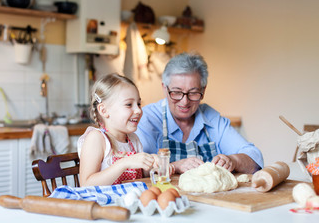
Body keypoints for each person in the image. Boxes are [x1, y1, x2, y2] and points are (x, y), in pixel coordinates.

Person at [136, 53, 264, 174]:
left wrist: (233, 161)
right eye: (177, 92)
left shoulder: (211, 118)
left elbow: (255, 158)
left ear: (203, 90)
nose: (184, 101)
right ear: (164, 88)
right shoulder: (148, 119)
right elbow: (138, 169)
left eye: (193, 93)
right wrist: (175, 166)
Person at [77, 73, 156, 186]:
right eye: (129, 104)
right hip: (103, 203)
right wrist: (125, 163)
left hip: (129, 201)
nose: (138, 110)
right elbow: (86, 184)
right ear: (104, 110)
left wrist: (152, 163)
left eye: (138, 104)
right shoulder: (97, 139)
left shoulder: (133, 140)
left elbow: (142, 176)